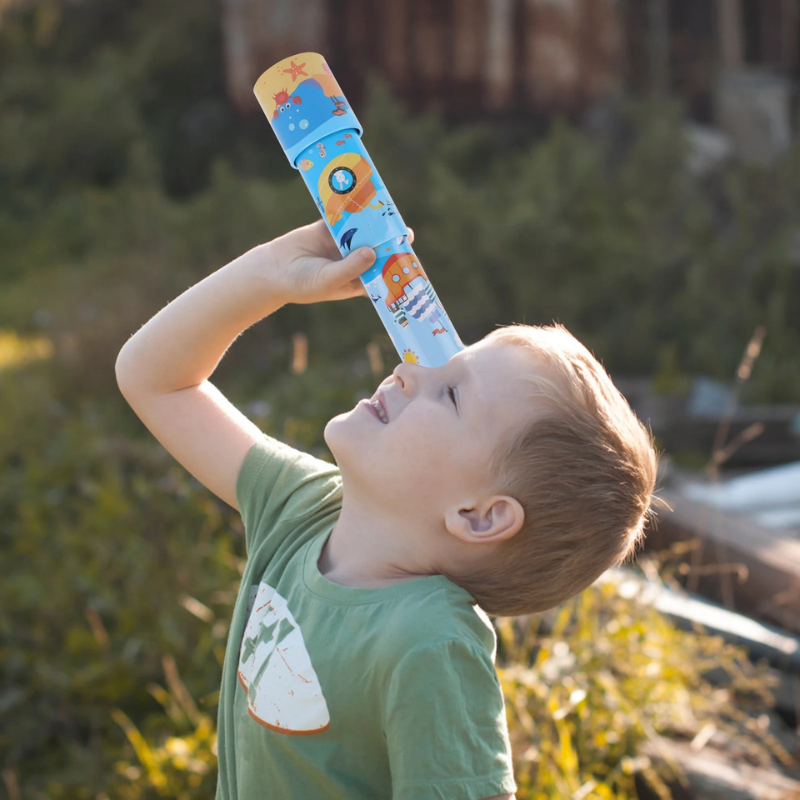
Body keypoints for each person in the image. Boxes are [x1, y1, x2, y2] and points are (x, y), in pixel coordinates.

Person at [115, 219, 659, 800]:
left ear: (479, 516)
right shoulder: (301, 508)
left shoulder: (429, 642)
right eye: (439, 360)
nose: (408, 370)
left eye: (451, 392)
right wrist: (271, 272)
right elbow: (153, 378)